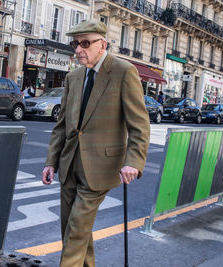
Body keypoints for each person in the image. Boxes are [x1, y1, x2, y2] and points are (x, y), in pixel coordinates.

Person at [41, 20, 150, 267]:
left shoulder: (123, 71)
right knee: (74, 230)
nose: (78, 50)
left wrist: (133, 161)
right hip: (69, 164)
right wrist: (51, 161)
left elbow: (139, 124)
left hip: (101, 168)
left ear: (103, 44)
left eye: (85, 43)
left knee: (76, 230)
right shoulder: (74, 77)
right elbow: (62, 125)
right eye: (75, 44)